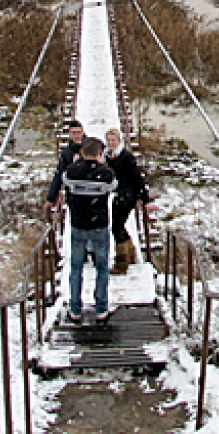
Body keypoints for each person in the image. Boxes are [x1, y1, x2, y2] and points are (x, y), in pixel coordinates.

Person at [49, 136, 117, 323]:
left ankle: (75, 308)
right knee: (102, 267)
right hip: (99, 225)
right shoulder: (106, 174)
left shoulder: (71, 172)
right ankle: (101, 307)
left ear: (80, 153)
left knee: (76, 267)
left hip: (78, 224)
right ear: (99, 153)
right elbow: (113, 187)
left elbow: (64, 181)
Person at [104, 128, 151, 275]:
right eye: (109, 140)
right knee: (118, 225)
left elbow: (137, 177)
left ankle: (122, 262)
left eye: (113, 140)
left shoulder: (126, 157)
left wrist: (145, 199)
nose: (111, 143)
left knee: (117, 227)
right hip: (119, 194)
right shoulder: (108, 156)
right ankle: (130, 252)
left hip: (127, 195)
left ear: (119, 141)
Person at [42, 120, 85, 219]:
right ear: (69, 134)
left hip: (91, 191)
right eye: (74, 133)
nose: (76, 136)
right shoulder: (66, 153)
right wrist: (50, 198)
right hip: (74, 194)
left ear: (83, 132)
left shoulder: (92, 146)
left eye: (78, 132)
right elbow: (59, 175)